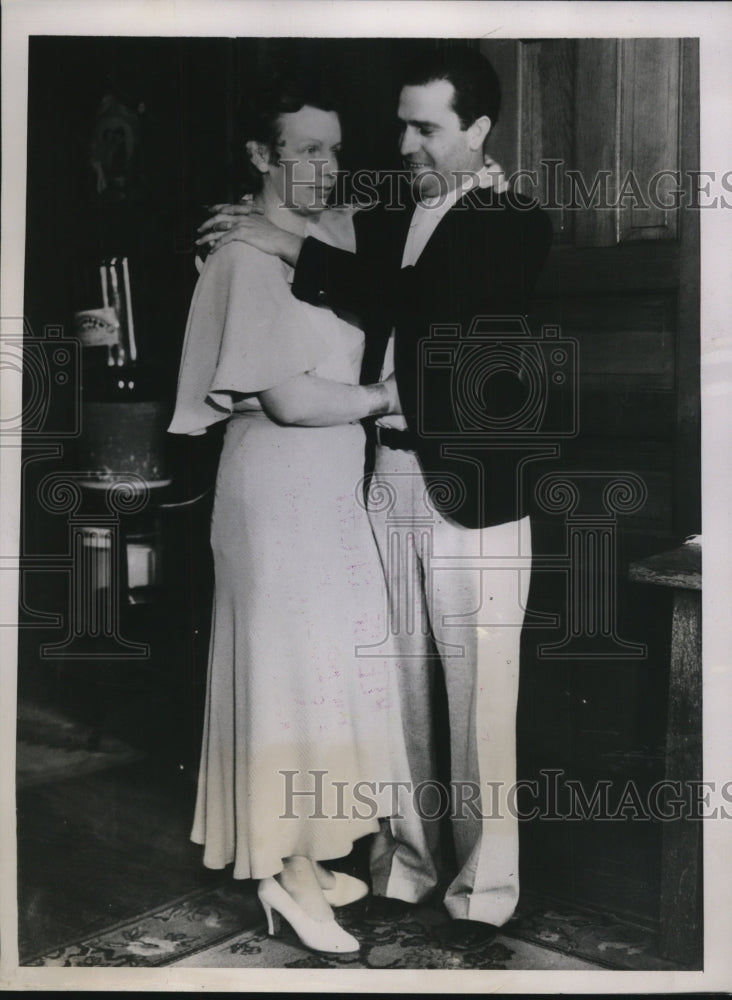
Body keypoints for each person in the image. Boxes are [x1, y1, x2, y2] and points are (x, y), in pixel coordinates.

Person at [198, 46, 553, 950]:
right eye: (401, 124)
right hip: (384, 475)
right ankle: (406, 866)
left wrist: (275, 240)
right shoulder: (391, 216)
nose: (406, 144)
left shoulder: (514, 222)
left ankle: (484, 891)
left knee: (481, 702)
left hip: (474, 489)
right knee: (394, 691)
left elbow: (417, 303)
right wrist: (248, 225)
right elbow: (335, 258)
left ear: (478, 131)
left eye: (427, 128)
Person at [168, 71, 405, 956]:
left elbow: (391, 285)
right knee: (284, 682)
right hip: (274, 495)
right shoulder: (236, 253)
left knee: (325, 678)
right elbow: (291, 400)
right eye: (306, 149)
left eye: (335, 149)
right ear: (261, 155)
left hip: (333, 492)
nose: (325, 165)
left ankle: (308, 848)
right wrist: (389, 395)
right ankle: (284, 873)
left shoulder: (331, 235)